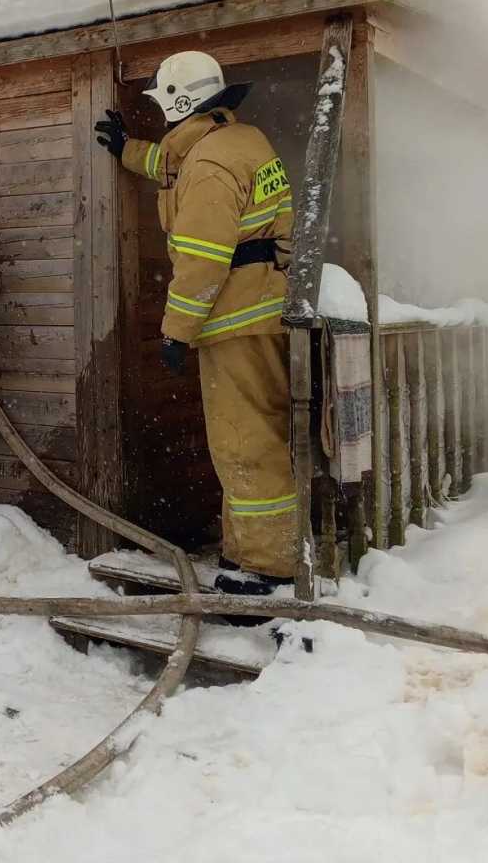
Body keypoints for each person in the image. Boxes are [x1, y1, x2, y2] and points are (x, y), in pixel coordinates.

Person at [95, 51, 296, 594]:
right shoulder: (240, 141)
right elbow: (174, 161)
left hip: (236, 320)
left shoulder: (209, 165)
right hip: (263, 311)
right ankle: (250, 551)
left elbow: (203, 260)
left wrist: (175, 332)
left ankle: (269, 568)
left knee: (244, 441)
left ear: (181, 103)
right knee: (259, 435)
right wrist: (127, 150)